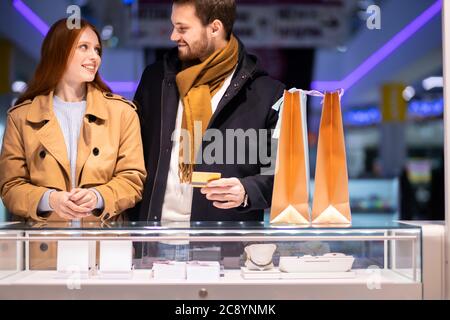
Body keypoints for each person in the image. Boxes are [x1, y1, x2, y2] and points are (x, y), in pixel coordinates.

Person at [132, 0, 285, 224]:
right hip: (153, 238)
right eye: (174, 26)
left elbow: (283, 175)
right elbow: (131, 157)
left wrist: (246, 191)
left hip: (224, 244)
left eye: (182, 28)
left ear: (214, 28)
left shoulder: (266, 93)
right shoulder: (155, 79)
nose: (173, 36)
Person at [0, 18, 147, 225]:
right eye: (83, 47)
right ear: (59, 52)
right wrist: (50, 200)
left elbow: (132, 180)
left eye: (97, 50)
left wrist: (98, 197)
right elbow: (10, 187)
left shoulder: (122, 113)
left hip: (105, 244)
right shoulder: (21, 117)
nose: (94, 57)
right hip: (46, 247)